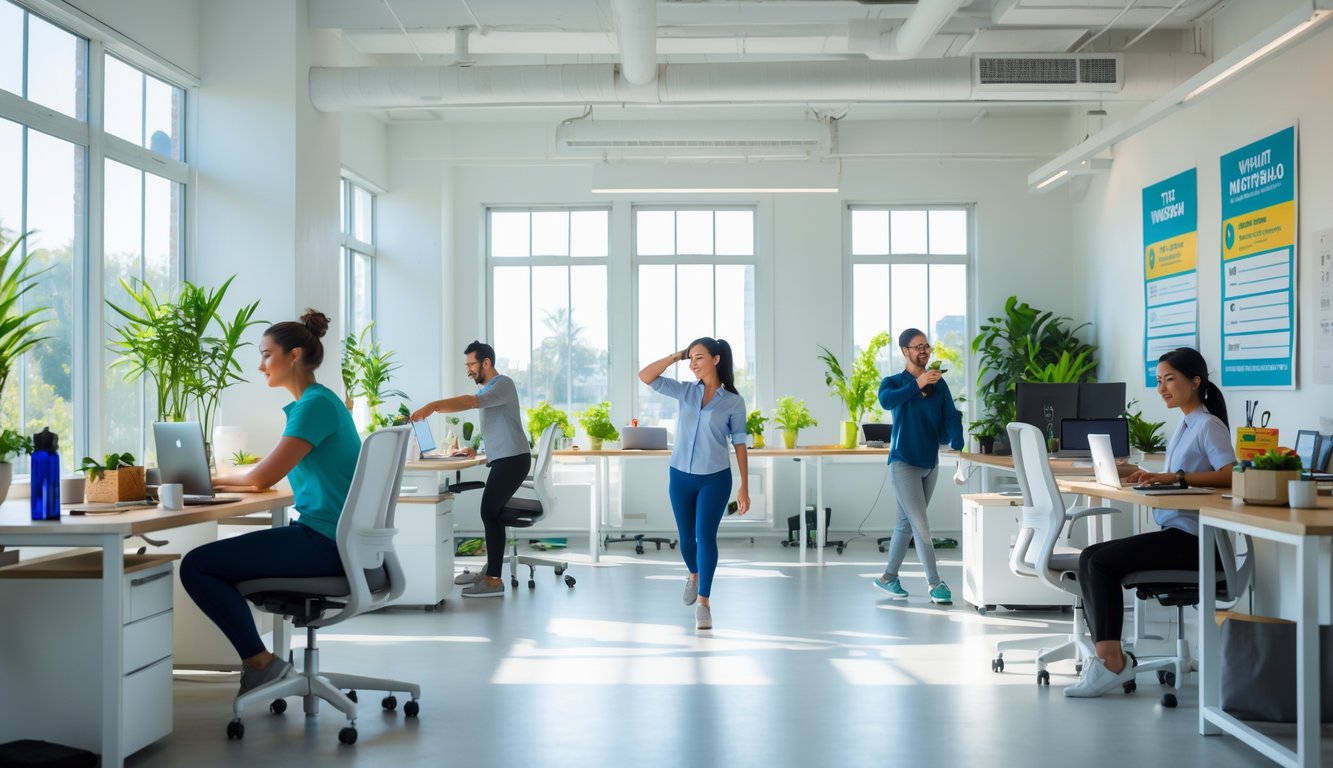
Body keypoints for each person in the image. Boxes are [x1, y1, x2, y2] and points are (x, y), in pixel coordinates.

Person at [180, 310, 362, 696]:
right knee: (213, 561)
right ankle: (263, 664)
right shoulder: (318, 403)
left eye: (266, 354)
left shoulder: (315, 406)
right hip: (332, 538)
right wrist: (226, 479)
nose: (261, 365)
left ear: (293, 355)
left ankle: (262, 665)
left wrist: (211, 478)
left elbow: (263, 477)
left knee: (197, 565)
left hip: (325, 543)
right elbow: (271, 470)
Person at [1065, 347, 1235, 698]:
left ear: (1195, 381)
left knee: (1100, 563)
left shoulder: (1207, 424)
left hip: (1196, 543)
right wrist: (1152, 475)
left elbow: (1231, 474)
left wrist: (1177, 477)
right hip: (1177, 534)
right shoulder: (1186, 424)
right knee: (1089, 557)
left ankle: (1111, 662)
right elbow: (1183, 473)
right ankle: (1109, 658)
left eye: (1169, 379)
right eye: (1159, 381)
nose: (1162, 389)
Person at [639, 337, 750, 631]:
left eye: (699, 358)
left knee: (706, 537)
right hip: (680, 476)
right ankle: (694, 574)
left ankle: (704, 603)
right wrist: (678, 354)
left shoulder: (733, 402)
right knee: (686, 540)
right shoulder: (685, 391)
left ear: (715, 359)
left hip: (715, 478)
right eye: (691, 359)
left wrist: (744, 487)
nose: (693, 364)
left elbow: (740, 444)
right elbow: (645, 376)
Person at [411, 341, 529, 598]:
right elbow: (500, 425)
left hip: (514, 458)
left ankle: (494, 580)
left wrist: (433, 406)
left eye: (471, 364)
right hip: (507, 457)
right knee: (492, 512)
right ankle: (491, 571)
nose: (468, 370)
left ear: (486, 363)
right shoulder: (492, 389)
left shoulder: (503, 383)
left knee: (489, 511)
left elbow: (469, 401)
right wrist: (477, 449)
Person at [873, 328, 964, 605]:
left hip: (929, 462)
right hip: (903, 463)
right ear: (904, 351)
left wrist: (957, 438)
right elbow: (887, 401)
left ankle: (888, 577)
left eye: (927, 346)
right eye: (917, 347)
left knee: (906, 523)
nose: (924, 351)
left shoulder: (940, 385)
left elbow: (950, 414)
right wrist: (919, 383)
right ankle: (935, 583)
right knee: (921, 524)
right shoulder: (893, 382)